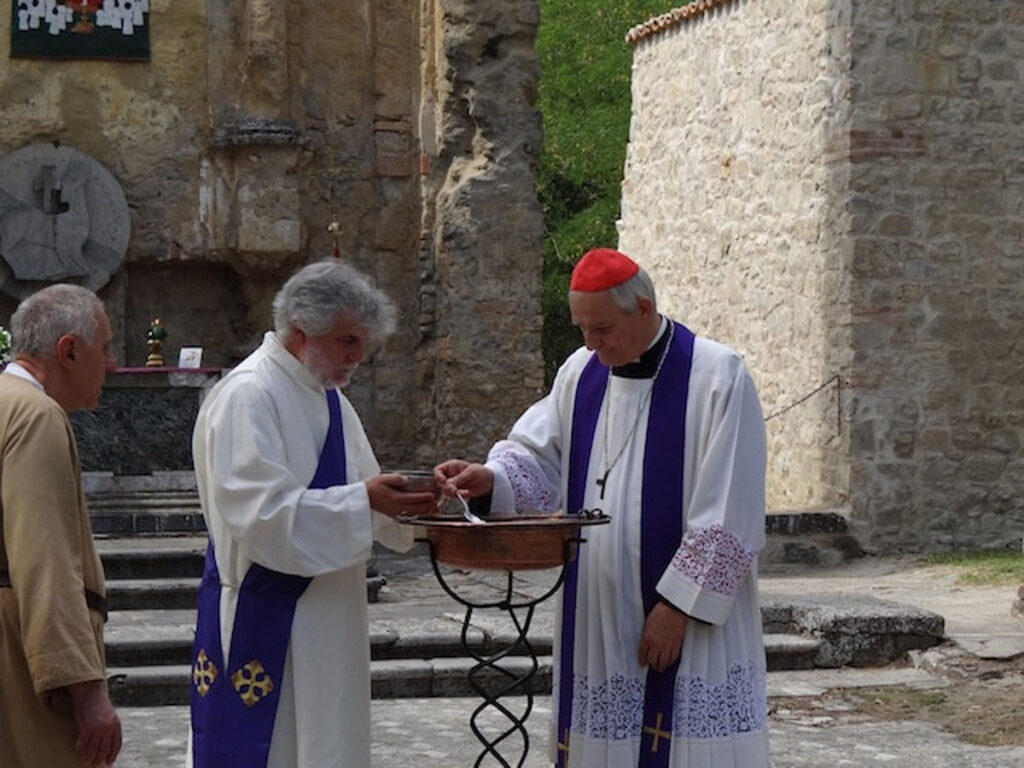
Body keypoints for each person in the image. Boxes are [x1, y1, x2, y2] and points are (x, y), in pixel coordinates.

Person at [437, 248, 770, 767]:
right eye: (582, 329)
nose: (591, 343)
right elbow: (538, 456)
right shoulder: (580, 374)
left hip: (686, 625)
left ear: (644, 309)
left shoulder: (716, 376)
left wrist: (679, 607)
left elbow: (731, 506)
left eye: (602, 328)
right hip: (597, 614)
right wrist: (490, 479)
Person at [188, 258, 438, 768]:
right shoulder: (248, 395)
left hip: (330, 618)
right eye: (347, 340)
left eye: (362, 342)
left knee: (327, 746)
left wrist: (418, 503)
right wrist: (366, 500)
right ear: (301, 331)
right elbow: (261, 517)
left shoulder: (330, 399)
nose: (358, 356)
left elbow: (367, 491)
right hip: (267, 612)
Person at [0, 284, 121, 768]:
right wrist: (86, 689)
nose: (112, 364)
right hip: (17, 661)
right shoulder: (35, 415)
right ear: (68, 351)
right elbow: (43, 556)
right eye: (104, 349)